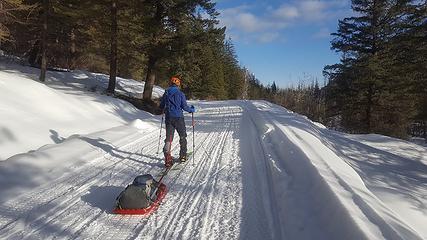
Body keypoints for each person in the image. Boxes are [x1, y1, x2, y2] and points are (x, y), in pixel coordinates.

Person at [159, 76, 195, 168]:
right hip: (179, 118)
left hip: (169, 118)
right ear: (178, 84)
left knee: (169, 138)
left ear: (171, 83)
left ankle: (167, 159)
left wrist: (163, 109)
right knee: (182, 136)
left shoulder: (166, 93)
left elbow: (161, 105)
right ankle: (183, 156)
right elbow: (185, 107)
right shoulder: (180, 94)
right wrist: (192, 110)